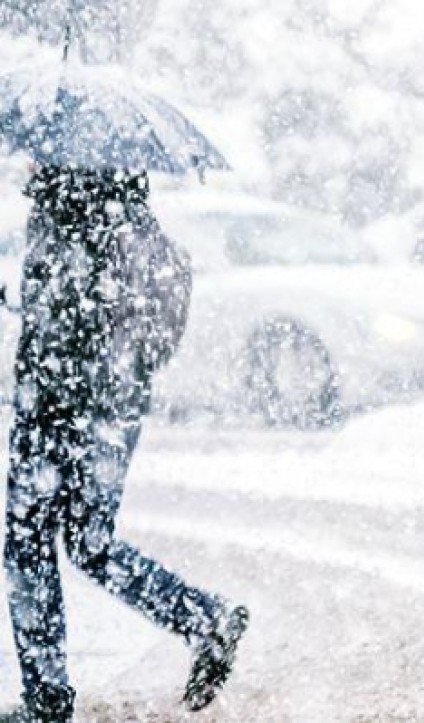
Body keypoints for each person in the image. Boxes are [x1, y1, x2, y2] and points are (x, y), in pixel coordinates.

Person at [4, 166, 249, 721]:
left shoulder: (69, 213)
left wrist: (49, 332)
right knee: (89, 544)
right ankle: (202, 619)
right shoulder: (132, 219)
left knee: (28, 542)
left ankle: (46, 698)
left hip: (58, 403)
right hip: (113, 410)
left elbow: (63, 318)